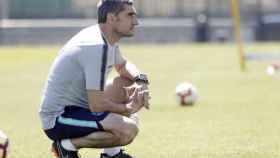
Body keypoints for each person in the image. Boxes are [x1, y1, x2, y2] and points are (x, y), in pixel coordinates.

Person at [39, 0, 151, 158]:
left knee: (126, 84)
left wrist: (141, 81)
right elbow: (97, 105)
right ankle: (65, 146)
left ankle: (112, 155)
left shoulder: (104, 37)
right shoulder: (96, 46)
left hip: (80, 108)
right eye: (130, 15)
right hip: (59, 118)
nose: (136, 22)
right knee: (128, 129)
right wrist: (128, 109)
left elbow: (123, 66)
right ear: (112, 18)